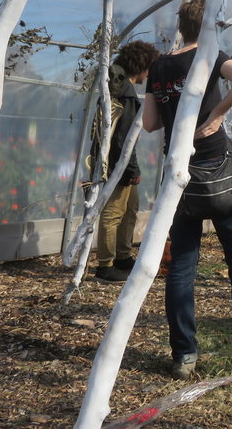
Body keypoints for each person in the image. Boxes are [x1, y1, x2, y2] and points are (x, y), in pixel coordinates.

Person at [142, 0, 232, 380]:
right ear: (210, 27)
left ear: (181, 26)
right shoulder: (209, 55)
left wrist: (173, 103)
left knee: (182, 266)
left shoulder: (159, 65)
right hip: (217, 166)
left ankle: (183, 356)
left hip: (181, 173)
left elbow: (149, 123)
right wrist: (217, 114)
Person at [90, 41, 160, 284]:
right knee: (113, 213)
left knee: (130, 208)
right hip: (117, 163)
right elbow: (124, 138)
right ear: (141, 66)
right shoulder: (125, 92)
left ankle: (123, 257)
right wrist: (131, 169)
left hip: (117, 160)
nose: (149, 75)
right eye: (149, 69)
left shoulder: (118, 86)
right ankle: (105, 265)